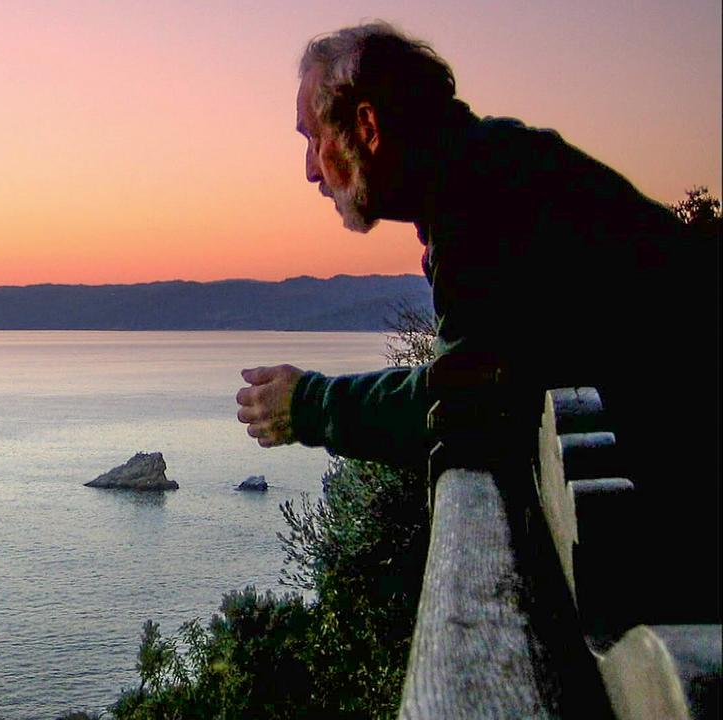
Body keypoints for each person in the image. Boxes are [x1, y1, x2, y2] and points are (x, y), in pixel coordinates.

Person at [235, 21, 718, 619]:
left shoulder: (485, 196)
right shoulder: (492, 170)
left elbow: (464, 399)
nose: (310, 169)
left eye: (313, 138)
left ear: (367, 127)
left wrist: (311, 405)